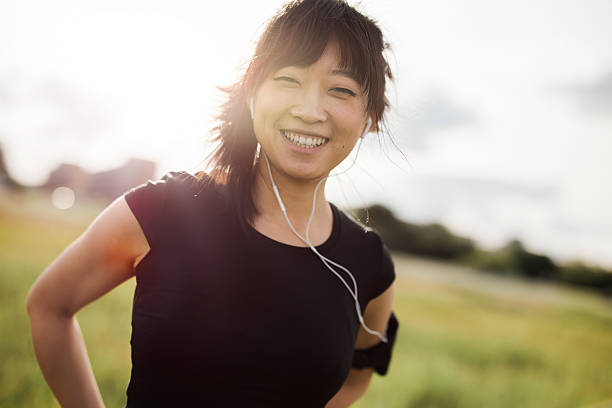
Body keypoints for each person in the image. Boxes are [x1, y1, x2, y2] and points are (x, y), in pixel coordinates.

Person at [26, 0, 398, 406]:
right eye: (289, 79)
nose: (310, 111)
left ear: (371, 117)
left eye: (341, 90)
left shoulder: (368, 265)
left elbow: (356, 378)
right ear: (252, 93)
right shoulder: (166, 211)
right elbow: (49, 306)